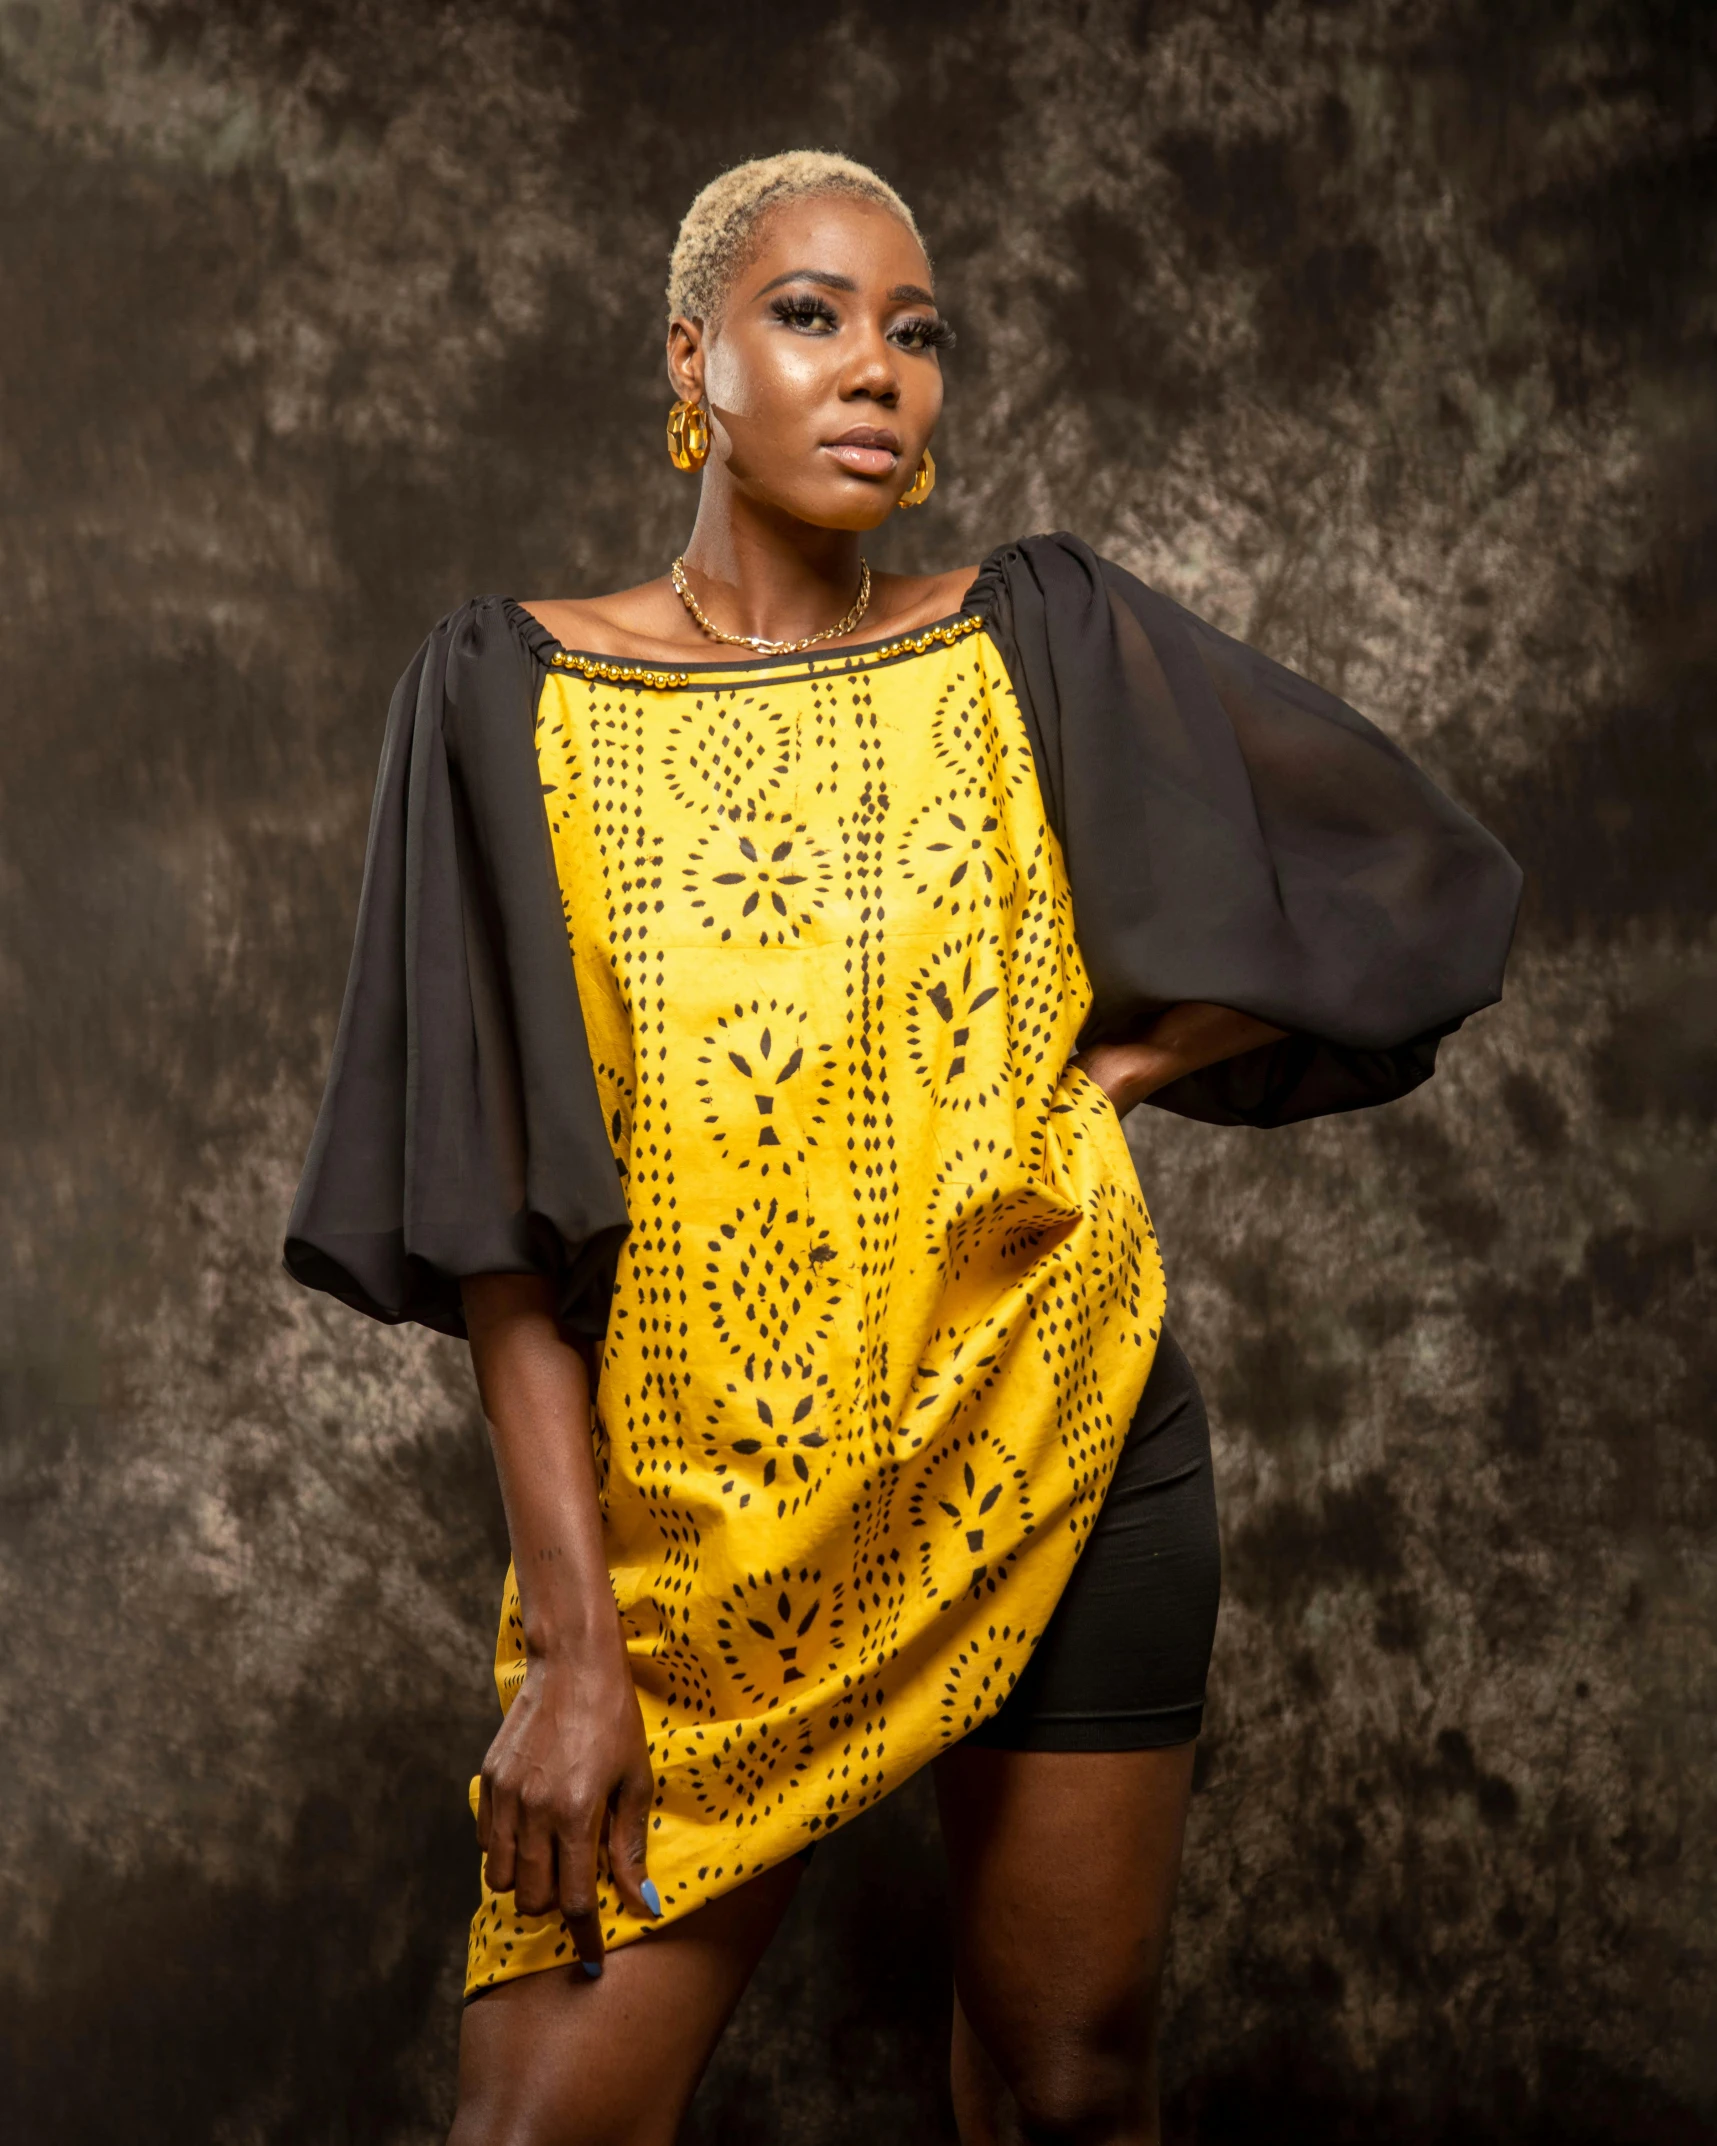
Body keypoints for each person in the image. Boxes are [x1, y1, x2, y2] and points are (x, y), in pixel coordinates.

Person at [285, 151, 1521, 2146]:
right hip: (695, 1541)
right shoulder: (504, 692)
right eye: (813, 315)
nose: (877, 370)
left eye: (915, 332)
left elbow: (1403, 873)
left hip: (1062, 1440)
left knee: (1067, 2087)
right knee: (539, 2124)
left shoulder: (1026, 638)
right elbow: (497, 1224)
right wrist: (581, 1647)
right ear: (691, 358)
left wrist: (1116, 1071)